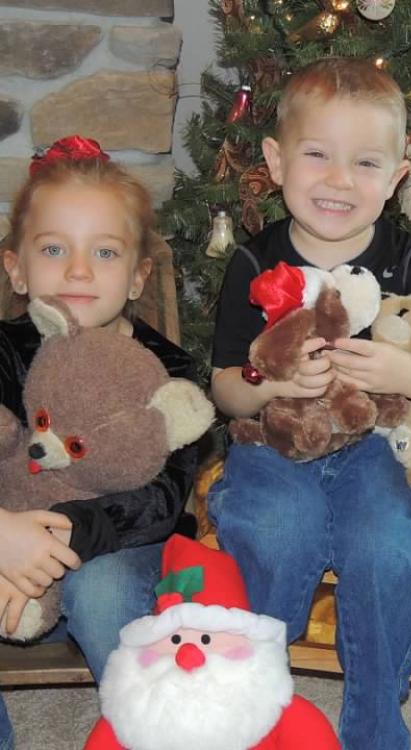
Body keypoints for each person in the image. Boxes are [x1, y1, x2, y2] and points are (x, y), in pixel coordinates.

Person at [208, 57, 411, 749]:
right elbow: (224, 385)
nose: (338, 181)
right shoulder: (253, 263)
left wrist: (401, 370)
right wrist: (272, 384)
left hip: (377, 448)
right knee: (275, 529)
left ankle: (372, 722)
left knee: (383, 544)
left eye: (364, 164)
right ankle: (251, 703)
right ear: (275, 161)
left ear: (394, 181)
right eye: (317, 155)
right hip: (274, 447)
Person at [0, 136, 200, 750]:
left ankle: (147, 732)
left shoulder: (169, 372)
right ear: (16, 268)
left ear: (139, 275)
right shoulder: (4, 349)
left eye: (105, 252)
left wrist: (55, 535)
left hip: (116, 552)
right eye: (55, 249)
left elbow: (163, 499)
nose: (79, 270)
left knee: (103, 588)